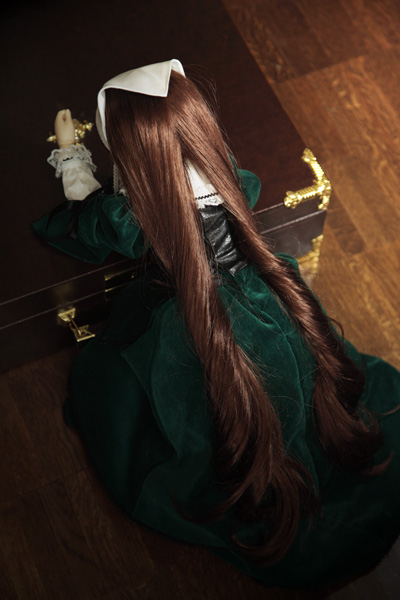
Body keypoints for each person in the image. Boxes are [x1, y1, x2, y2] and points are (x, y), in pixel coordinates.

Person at [33, 59, 400, 589]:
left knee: (179, 399)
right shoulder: (227, 175)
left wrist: (71, 153)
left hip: (200, 319)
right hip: (261, 295)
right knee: (284, 386)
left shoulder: (134, 216)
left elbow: (88, 216)